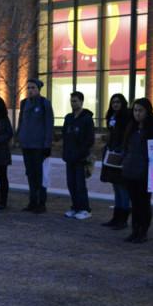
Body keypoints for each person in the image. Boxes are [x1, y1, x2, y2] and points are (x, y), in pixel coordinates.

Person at [121, 98, 153, 243]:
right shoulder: (131, 127)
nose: (137, 113)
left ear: (147, 111)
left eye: (140, 110)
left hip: (146, 170)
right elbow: (127, 146)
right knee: (134, 202)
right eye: (135, 110)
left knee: (144, 202)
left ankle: (143, 230)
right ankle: (135, 229)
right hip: (131, 169)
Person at [17, 78, 54, 213]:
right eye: (28, 88)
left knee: (40, 175)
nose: (30, 90)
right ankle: (32, 202)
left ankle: (41, 203)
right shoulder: (24, 103)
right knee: (30, 174)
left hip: (39, 146)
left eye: (33, 88)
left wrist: (47, 145)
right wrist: (18, 136)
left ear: (38, 89)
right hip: (26, 145)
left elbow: (49, 125)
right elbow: (21, 122)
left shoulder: (45, 103)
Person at [100, 94, 132, 230]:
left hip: (121, 155)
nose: (115, 104)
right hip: (111, 155)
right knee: (115, 187)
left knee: (122, 188)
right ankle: (116, 217)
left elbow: (125, 137)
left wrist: (121, 151)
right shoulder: (112, 117)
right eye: (113, 102)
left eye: (118, 102)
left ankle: (123, 219)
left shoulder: (126, 118)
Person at [61, 91, 95, 220]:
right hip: (69, 156)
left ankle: (85, 209)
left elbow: (89, 139)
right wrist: (65, 152)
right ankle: (75, 207)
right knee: (71, 183)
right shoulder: (68, 118)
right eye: (71, 101)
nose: (73, 103)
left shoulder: (87, 119)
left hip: (81, 157)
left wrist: (81, 153)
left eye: (75, 101)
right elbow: (65, 135)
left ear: (81, 102)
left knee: (80, 184)